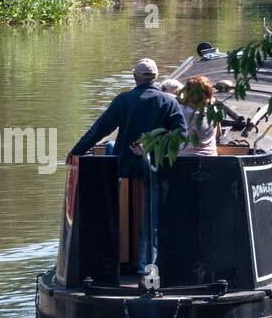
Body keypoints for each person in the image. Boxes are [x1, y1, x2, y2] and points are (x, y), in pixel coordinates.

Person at [67, 58, 186, 273]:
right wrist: (151, 149)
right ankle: (145, 268)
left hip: (125, 165)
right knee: (152, 221)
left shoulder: (124, 100)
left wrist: (76, 151)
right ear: (156, 77)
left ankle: (105, 262)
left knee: (109, 209)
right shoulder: (169, 102)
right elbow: (182, 136)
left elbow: (99, 129)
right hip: (154, 166)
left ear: (135, 77)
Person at [178, 75, 218, 156]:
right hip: (210, 156)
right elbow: (218, 134)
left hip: (184, 157)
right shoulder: (214, 110)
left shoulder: (181, 111)